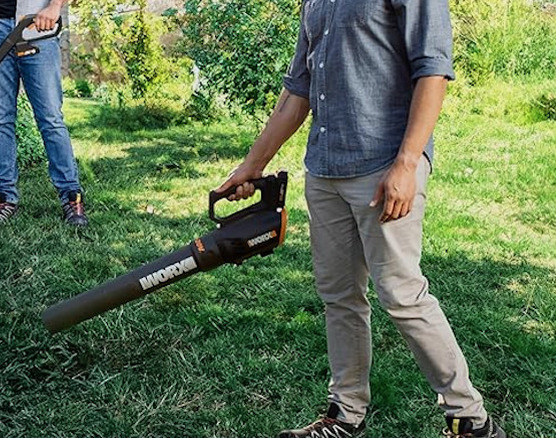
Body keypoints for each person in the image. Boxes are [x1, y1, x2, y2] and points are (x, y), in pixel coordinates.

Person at [216, 1, 506, 437]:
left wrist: (408, 164)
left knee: (402, 295)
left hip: (383, 165)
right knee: (340, 296)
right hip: (326, 168)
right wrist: (252, 166)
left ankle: (471, 420)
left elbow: (433, 69)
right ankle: (345, 413)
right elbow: (298, 91)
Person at [0, 0, 88, 227]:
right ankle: (4, 199)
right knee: (0, 121)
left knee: (50, 119)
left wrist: (54, 8)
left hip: (36, 27)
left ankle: (71, 197)